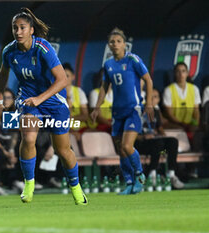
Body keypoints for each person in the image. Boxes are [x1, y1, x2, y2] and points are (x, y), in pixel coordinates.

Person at [0, 8, 88, 205]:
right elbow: (3, 74)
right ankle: (29, 184)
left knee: (63, 150)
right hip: (29, 100)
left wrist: (40, 98)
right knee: (28, 137)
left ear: (31, 30)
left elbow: (62, 80)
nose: (18, 32)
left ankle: (76, 187)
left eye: (22, 28)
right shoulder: (9, 51)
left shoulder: (43, 48)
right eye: (15, 28)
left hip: (54, 101)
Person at [91, 28, 154, 195]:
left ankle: (140, 176)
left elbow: (148, 80)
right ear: (109, 45)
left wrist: (148, 102)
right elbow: (104, 87)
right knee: (120, 149)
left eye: (118, 41)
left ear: (124, 44)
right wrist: (97, 107)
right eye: (112, 42)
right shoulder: (108, 64)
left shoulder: (133, 59)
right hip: (117, 112)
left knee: (127, 145)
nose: (115, 44)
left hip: (133, 109)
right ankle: (129, 182)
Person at [135, 89, 184, 189]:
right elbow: (130, 134)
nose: (153, 99)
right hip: (140, 143)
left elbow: (160, 129)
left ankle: (171, 174)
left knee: (172, 141)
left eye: (155, 97)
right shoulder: (137, 111)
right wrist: (144, 136)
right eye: (150, 96)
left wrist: (162, 135)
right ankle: (151, 174)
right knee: (158, 143)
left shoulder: (156, 111)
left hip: (156, 143)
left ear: (158, 100)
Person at [0, 88, 24, 192]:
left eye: (9, 98)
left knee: (21, 150)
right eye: (3, 98)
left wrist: (10, 151)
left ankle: (17, 181)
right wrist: (5, 152)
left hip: (7, 145)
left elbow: (14, 135)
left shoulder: (12, 113)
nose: (6, 100)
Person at [162, 62, 201, 141]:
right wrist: (182, 124)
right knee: (179, 130)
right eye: (178, 71)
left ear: (187, 73)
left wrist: (195, 124)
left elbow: (196, 111)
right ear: (175, 74)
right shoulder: (168, 90)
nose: (181, 74)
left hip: (189, 123)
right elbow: (169, 114)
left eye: (183, 71)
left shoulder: (194, 89)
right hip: (175, 124)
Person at [63, 63, 89, 141]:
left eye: (67, 76)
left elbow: (85, 116)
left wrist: (72, 118)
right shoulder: (55, 93)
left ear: (73, 77)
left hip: (81, 127)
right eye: (62, 76)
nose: (64, 78)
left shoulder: (79, 92)